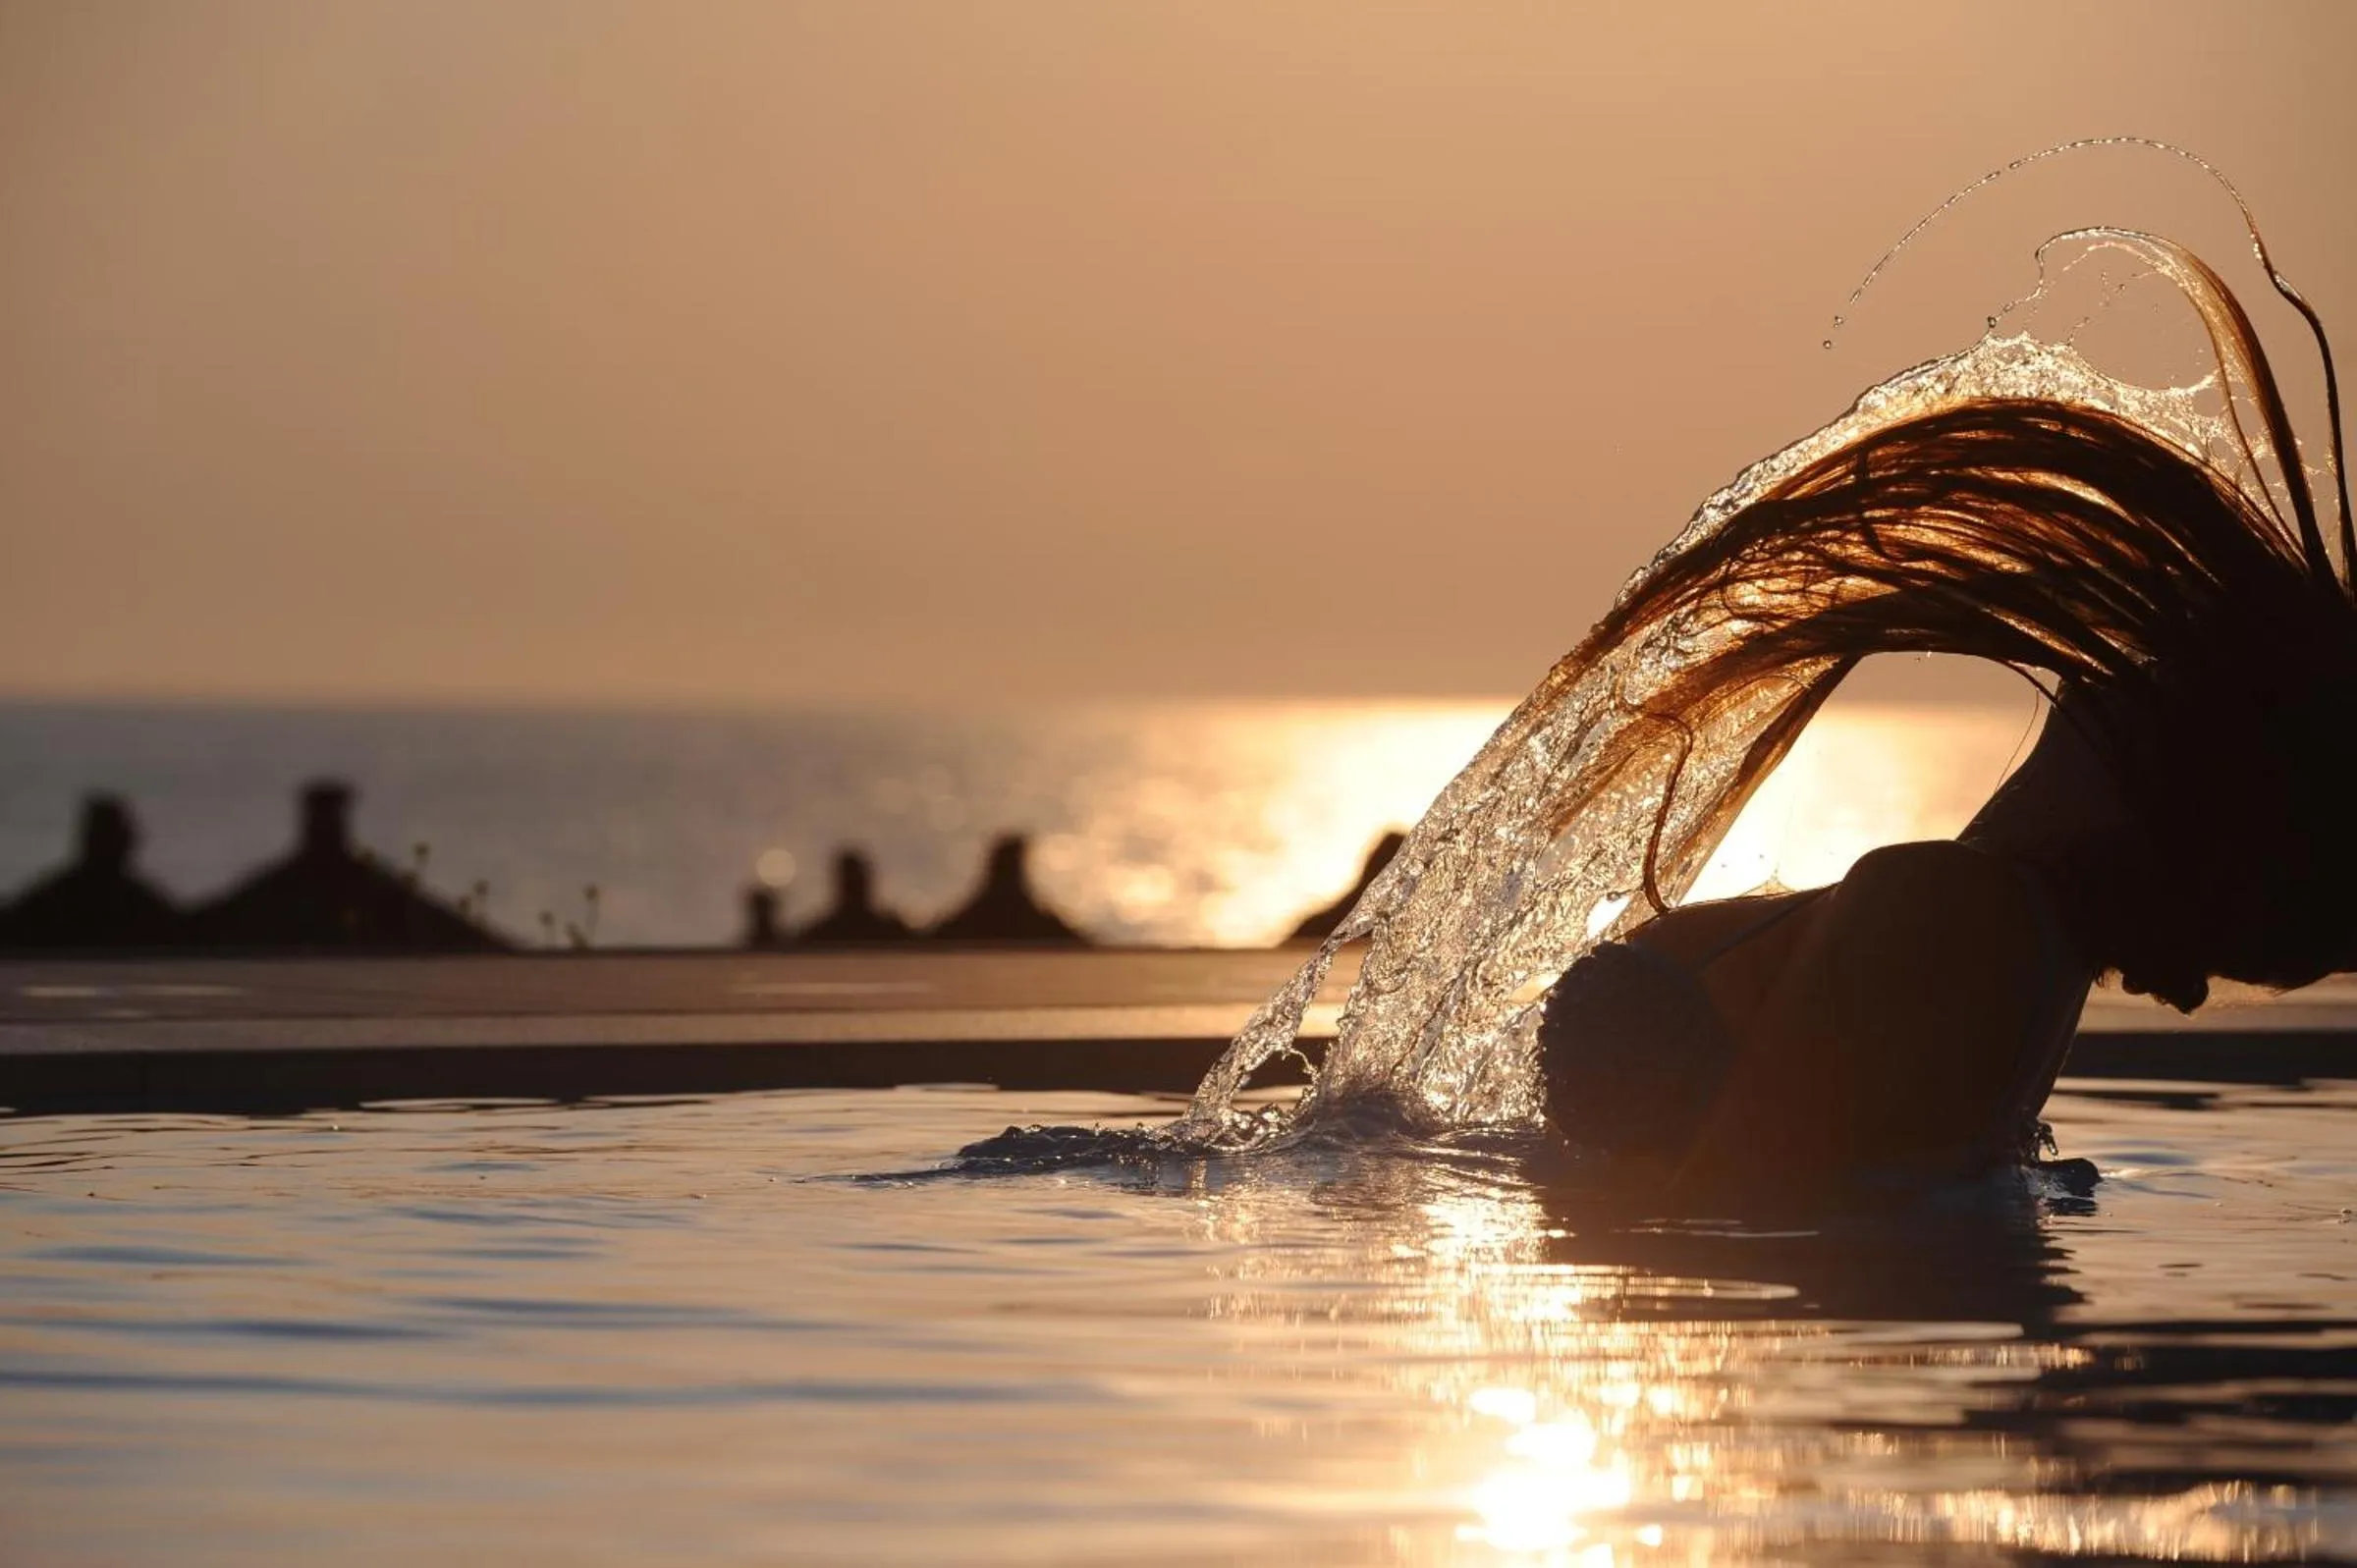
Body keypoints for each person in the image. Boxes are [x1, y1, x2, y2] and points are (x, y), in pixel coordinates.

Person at [1184, 227, 2355, 1200]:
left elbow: (1740, 1212)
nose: (2195, 993)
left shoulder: (1960, 916)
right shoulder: (2005, 936)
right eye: (2235, 942)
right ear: (2210, 817)